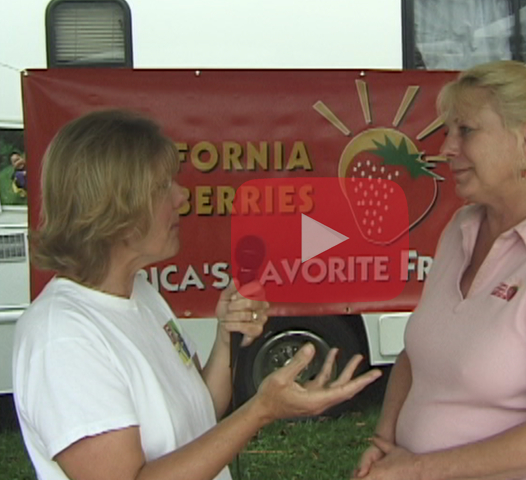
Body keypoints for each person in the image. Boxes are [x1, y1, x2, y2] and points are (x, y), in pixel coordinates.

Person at [12, 109, 382, 480]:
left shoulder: (140, 294)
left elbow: (200, 413)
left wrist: (225, 341)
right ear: (112, 208)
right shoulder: (62, 337)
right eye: (161, 187)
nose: (181, 196)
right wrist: (261, 410)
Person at [353, 60, 526, 480]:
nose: (447, 147)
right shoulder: (461, 228)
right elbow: (417, 356)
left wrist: (419, 469)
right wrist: (386, 443)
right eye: (449, 131)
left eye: (466, 131)